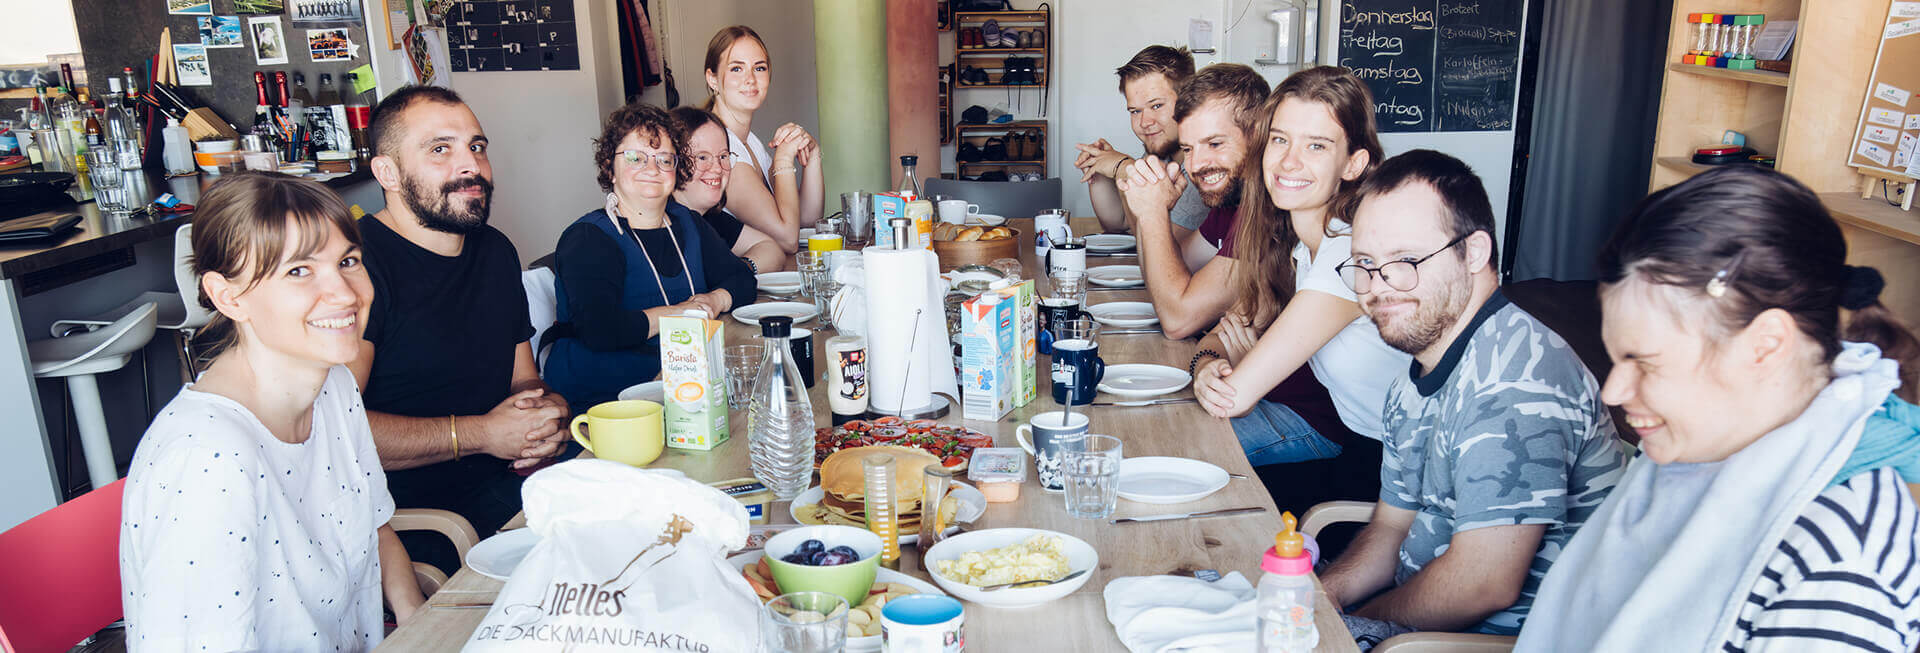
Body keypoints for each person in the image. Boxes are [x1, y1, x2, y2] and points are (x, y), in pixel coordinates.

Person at [1517, 165, 1920, 652]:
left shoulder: (1837, 559)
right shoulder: (1697, 446)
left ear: (1766, 346)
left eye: (1644, 362)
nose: (1614, 391)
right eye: (1616, 357)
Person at [1321, 150, 1626, 641]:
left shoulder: (1515, 381)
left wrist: (1360, 624)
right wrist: (1320, 599)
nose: (1378, 287)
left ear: (1476, 253)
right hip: (1414, 629)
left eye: (1405, 261)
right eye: (1365, 264)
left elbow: (1483, 586)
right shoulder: (1412, 378)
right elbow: (1392, 527)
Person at [121, 173, 424, 649]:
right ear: (228, 296)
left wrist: (421, 629)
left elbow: (374, 525)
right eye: (298, 270)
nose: (345, 293)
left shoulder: (334, 385)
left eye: (348, 261)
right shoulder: (207, 459)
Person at [349, 85, 569, 576]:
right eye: (440, 149)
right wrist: (483, 434)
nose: (470, 165)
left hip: (515, 492)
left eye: (477, 146)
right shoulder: (356, 268)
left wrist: (543, 413)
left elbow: (523, 378)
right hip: (418, 525)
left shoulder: (494, 250)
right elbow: (337, 431)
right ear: (386, 172)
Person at [1186, 67, 1407, 490]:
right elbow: (1224, 335)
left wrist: (1233, 368)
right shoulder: (1299, 246)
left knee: (1181, 449)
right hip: (1368, 455)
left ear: (1353, 163)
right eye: (1280, 139)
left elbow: (1234, 396)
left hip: (1391, 475)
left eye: (1317, 146)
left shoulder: (1350, 255)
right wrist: (1209, 364)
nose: (1289, 161)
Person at [542, 103, 757, 409]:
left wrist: (714, 300)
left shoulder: (686, 221)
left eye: (664, 159)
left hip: (682, 385)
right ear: (608, 167)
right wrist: (682, 312)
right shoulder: (589, 238)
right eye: (635, 158)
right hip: (605, 401)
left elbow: (741, 279)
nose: (652, 169)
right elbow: (600, 328)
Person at [1114, 63, 1267, 339]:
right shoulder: (1232, 202)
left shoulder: (1268, 213)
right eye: (1188, 149)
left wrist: (1153, 214)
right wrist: (1150, 205)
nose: (1196, 166)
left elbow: (1177, 319)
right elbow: (1164, 275)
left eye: (1215, 144)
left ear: (1257, 135)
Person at [1075, 45, 1214, 272]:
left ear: (1189, 100)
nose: (1144, 122)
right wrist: (1100, 169)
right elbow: (1119, 223)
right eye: (1135, 111)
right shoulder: (1164, 152)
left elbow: (1161, 255)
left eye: (1156, 106)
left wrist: (1124, 167)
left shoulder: (1201, 166)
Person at [703, 25, 823, 251]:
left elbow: (805, 221)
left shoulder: (751, 142)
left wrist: (813, 154)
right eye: (736, 69)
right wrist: (783, 161)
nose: (750, 79)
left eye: (759, 68)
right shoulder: (722, 150)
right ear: (712, 79)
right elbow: (788, 239)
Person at [669, 105, 787, 276]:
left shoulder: (710, 217)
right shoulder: (662, 222)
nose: (718, 168)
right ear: (672, 161)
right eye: (702, 157)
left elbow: (771, 249)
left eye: (723, 156)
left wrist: (736, 271)